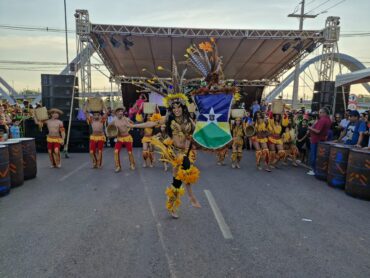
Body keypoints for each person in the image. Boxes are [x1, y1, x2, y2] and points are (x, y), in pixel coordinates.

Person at [306, 108, 331, 176]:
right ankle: (316, 169)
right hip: (321, 140)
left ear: (324, 113)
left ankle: (314, 170)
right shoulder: (328, 119)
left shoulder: (323, 120)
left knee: (313, 155)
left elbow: (318, 131)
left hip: (316, 140)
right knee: (317, 155)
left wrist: (310, 128)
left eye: (320, 112)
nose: (319, 114)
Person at [110, 107, 136, 172]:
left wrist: (130, 127)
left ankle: (132, 164)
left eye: (121, 111)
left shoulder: (126, 119)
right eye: (119, 111)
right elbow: (110, 128)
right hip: (119, 138)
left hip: (127, 137)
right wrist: (112, 133)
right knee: (116, 152)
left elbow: (132, 123)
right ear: (116, 113)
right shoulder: (114, 121)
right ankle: (118, 167)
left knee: (130, 152)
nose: (120, 112)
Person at [84, 104, 108, 169]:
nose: (96, 116)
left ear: (100, 115)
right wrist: (87, 103)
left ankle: (98, 164)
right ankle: (95, 162)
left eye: (98, 115)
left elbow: (107, 112)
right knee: (92, 151)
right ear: (93, 116)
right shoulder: (91, 121)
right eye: (95, 115)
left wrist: (102, 104)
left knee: (99, 151)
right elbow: (85, 112)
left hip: (100, 137)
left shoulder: (102, 120)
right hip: (93, 137)